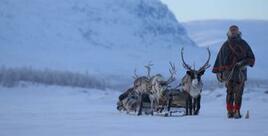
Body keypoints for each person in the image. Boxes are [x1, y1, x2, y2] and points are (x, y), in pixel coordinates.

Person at [212, 25, 255, 119]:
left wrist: (242, 63)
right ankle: (230, 111)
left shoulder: (244, 44)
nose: (233, 32)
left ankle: (237, 111)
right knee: (230, 92)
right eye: (232, 30)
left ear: (238, 32)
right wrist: (219, 72)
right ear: (229, 32)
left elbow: (251, 58)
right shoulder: (225, 45)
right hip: (229, 73)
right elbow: (220, 59)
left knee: (239, 92)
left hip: (240, 72)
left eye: (235, 30)